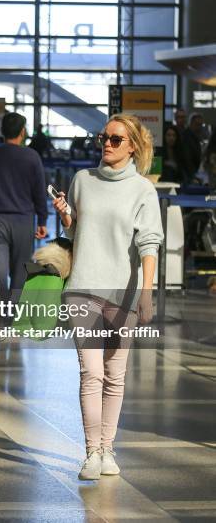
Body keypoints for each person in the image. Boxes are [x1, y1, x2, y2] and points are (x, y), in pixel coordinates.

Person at [53, 113, 163, 481]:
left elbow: (149, 244)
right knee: (91, 373)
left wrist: (146, 293)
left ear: (133, 145)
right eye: (104, 137)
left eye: (116, 139)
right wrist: (66, 216)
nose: (107, 144)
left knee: (115, 375)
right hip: (83, 286)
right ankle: (91, 452)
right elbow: (76, 232)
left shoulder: (143, 190)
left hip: (124, 290)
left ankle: (108, 449)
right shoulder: (82, 180)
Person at [0, 112, 48, 291]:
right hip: (23, 220)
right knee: (21, 270)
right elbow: (39, 191)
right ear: (23, 132)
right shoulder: (32, 157)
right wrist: (42, 220)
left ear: (2, 131)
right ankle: (13, 315)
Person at [182, 113, 205, 181]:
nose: (199, 127)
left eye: (200, 125)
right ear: (191, 124)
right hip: (188, 173)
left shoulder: (195, 137)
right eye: (197, 124)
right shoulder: (186, 137)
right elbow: (187, 158)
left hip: (193, 172)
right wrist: (192, 176)